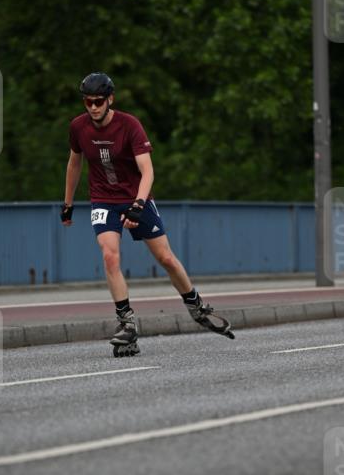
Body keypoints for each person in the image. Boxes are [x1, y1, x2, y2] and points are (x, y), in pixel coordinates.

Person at [61, 72, 234, 356]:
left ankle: (196, 305)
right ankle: (126, 323)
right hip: (103, 200)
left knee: (165, 258)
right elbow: (74, 164)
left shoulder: (129, 125)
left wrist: (138, 205)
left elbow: (148, 170)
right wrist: (67, 204)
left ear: (110, 99)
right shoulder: (78, 127)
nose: (92, 107)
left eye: (98, 101)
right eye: (87, 102)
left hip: (135, 197)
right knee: (109, 255)